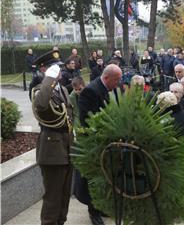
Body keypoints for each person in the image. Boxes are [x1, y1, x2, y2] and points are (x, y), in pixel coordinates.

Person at [75, 64, 122, 225]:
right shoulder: (90, 91)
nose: (118, 84)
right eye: (116, 80)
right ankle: (93, 211)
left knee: (103, 178)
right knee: (92, 180)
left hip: (104, 142)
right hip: (93, 144)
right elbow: (86, 120)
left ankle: (100, 207)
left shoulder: (104, 89)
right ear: (107, 77)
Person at [31, 50, 74, 225]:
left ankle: (60, 222)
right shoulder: (39, 90)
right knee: (52, 197)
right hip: (51, 150)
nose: (58, 72)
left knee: (64, 196)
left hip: (66, 147)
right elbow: (41, 105)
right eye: (52, 68)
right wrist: (48, 79)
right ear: (44, 70)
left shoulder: (62, 89)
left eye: (58, 68)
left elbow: (69, 117)